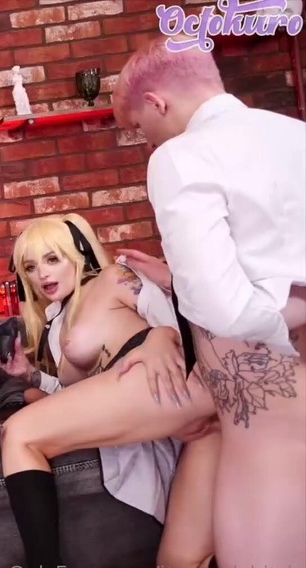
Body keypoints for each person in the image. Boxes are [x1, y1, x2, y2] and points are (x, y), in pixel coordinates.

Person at [111, 35, 306, 567]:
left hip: (267, 412)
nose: (146, 141)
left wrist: (285, 313)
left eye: (139, 127)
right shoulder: (295, 134)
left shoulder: (181, 157)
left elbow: (222, 308)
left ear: (156, 102)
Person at [0, 214, 220, 568]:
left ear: (78, 254)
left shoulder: (113, 278)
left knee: (19, 432)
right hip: (163, 412)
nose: (42, 275)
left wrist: (161, 336)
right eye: (31, 267)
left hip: (169, 383)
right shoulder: (57, 323)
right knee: (179, 562)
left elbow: (185, 325)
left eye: (52, 259)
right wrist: (31, 376)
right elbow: (77, 397)